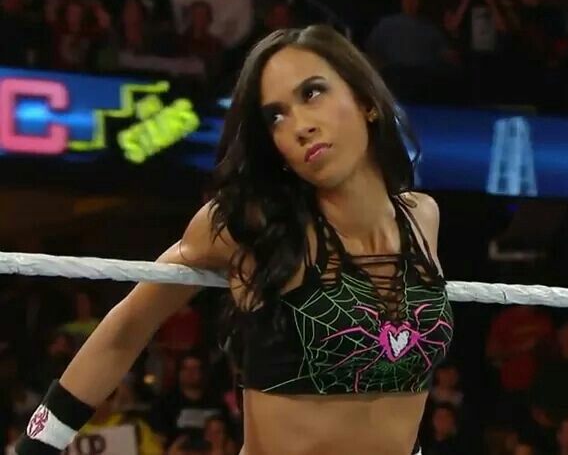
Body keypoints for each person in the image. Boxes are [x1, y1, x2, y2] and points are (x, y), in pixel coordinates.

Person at [15, 25, 453, 455]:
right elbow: (128, 327)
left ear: (365, 101)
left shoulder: (421, 217)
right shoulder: (251, 225)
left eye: (312, 93)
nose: (299, 126)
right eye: (276, 116)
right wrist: (36, 446)